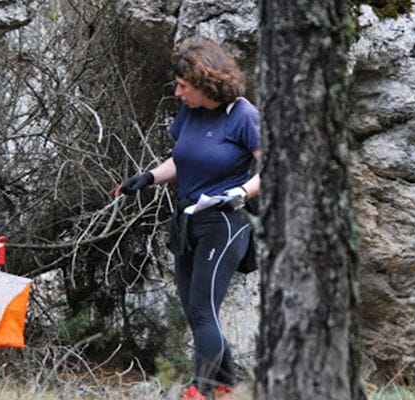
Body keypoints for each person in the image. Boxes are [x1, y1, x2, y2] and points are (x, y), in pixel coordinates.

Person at [119, 37, 261, 400]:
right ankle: (226, 384)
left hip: (225, 223)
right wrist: (148, 177)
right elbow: (182, 158)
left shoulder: (242, 115)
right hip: (188, 219)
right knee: (194, 308)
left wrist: (241, 193)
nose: (178, 93)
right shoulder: (190, 113)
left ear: (205, 82)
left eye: (184, 86)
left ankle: (204, 389)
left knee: (202, 309)